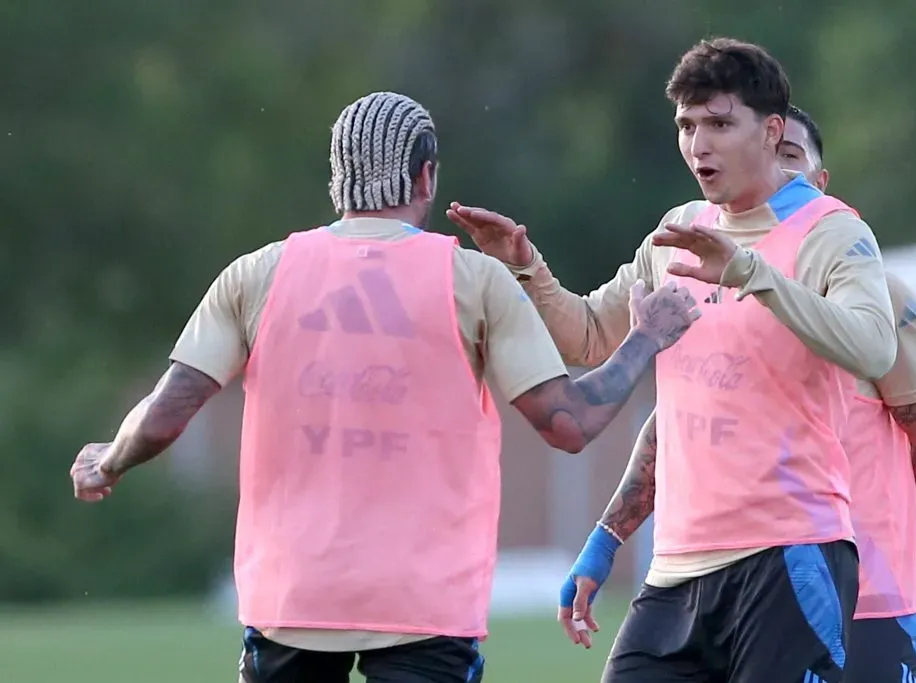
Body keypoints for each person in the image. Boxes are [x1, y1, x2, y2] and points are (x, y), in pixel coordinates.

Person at [68, 91, 702, 683]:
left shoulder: (258, 274)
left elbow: (165, 415)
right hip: (423, 606)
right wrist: (645, 338)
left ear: (335, 179)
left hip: (292, 598)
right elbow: (569, 424)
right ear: (427, 176)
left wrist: (108, 460)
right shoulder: (473, 279)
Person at [449, 39, 899, 683]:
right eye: (688, 126)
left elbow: (873, 347)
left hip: (790, 554)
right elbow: (586, 336)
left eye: (719, 123)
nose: (699, 145)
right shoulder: (677, 229)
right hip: (677, 567)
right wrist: (525, 267)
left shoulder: (833, 231)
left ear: (772, 132)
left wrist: (749, 271)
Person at [560, 104, 916, 683]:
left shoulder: (878, 300)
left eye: (790, 159)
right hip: (734, 578)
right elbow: (675, 422)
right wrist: (607, 536)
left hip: (865, 591)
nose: (773, 172)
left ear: (820, 184)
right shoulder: (706, 275)